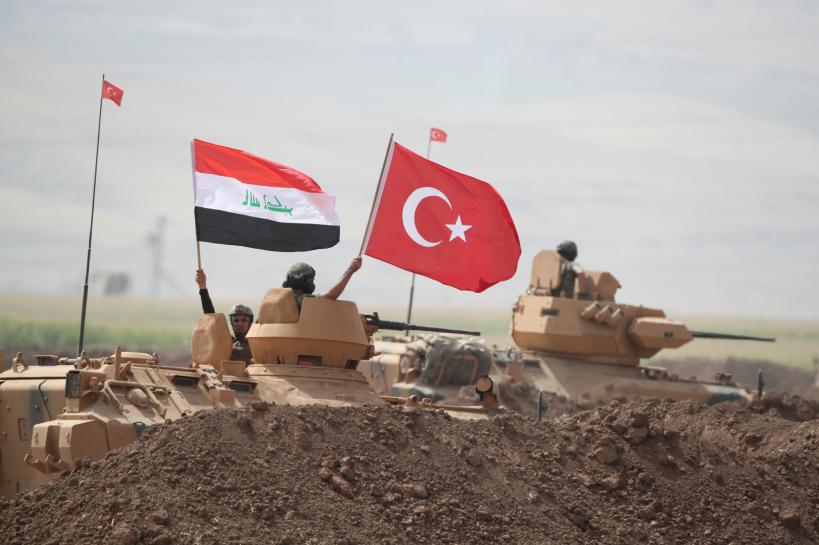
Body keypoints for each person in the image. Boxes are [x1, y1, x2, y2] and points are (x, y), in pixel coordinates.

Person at [195, 269, 253, 364]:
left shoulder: (257, 345)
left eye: (244, 320)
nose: (240, 324)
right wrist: (202, 286)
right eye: (236, 321)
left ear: (250, 323)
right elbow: (212, 317)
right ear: (231, 323)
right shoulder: (228, 342)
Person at [283, 256, 362, 311]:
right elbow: (330, 296)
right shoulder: (302, 300)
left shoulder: (278, 297)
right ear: (307, 283)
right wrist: (350, 270)